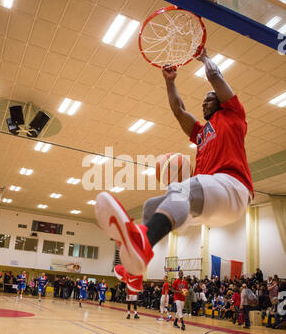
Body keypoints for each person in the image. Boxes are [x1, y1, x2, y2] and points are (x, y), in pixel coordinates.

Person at [95, 47, 254, 291]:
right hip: (212, 200)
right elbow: (179, 110)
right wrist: (170, 83)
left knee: (180, 189)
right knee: (151, 206)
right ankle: (135, 270)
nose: (204, 102)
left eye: (209, 99)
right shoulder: (201, 133)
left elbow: (216, 78)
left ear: (221, 102)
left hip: (233, 188)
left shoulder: (234, 115)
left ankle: (141, 246)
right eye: (203, 101)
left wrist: (204, 58)